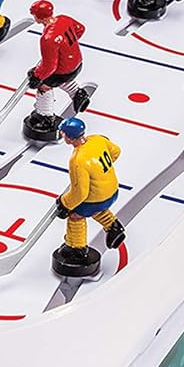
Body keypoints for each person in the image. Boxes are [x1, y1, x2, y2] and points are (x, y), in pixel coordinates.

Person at [53, 117, 125, 277]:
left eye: (63, 133)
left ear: (70, 137)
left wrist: (64, 204)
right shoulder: (98, 139)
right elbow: (116, 151)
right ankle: (113, 226)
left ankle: (76, 249)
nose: (62, 135)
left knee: (76, 215)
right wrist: (99, 172)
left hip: (97, 199)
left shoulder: (78, 160)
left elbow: (80, 193)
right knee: (94, 208)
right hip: (113, 191)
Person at [23, 0, 93, 141]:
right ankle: (78, 93)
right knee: (58, 79)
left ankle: (45, 116)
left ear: (39, 17)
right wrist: (65, 48)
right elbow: (80, 29)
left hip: (64, 70)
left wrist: (37, 77)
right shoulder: (64, 19)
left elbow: (49, 66)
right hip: (77, 63)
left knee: (45, 86)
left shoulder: (48, 39)